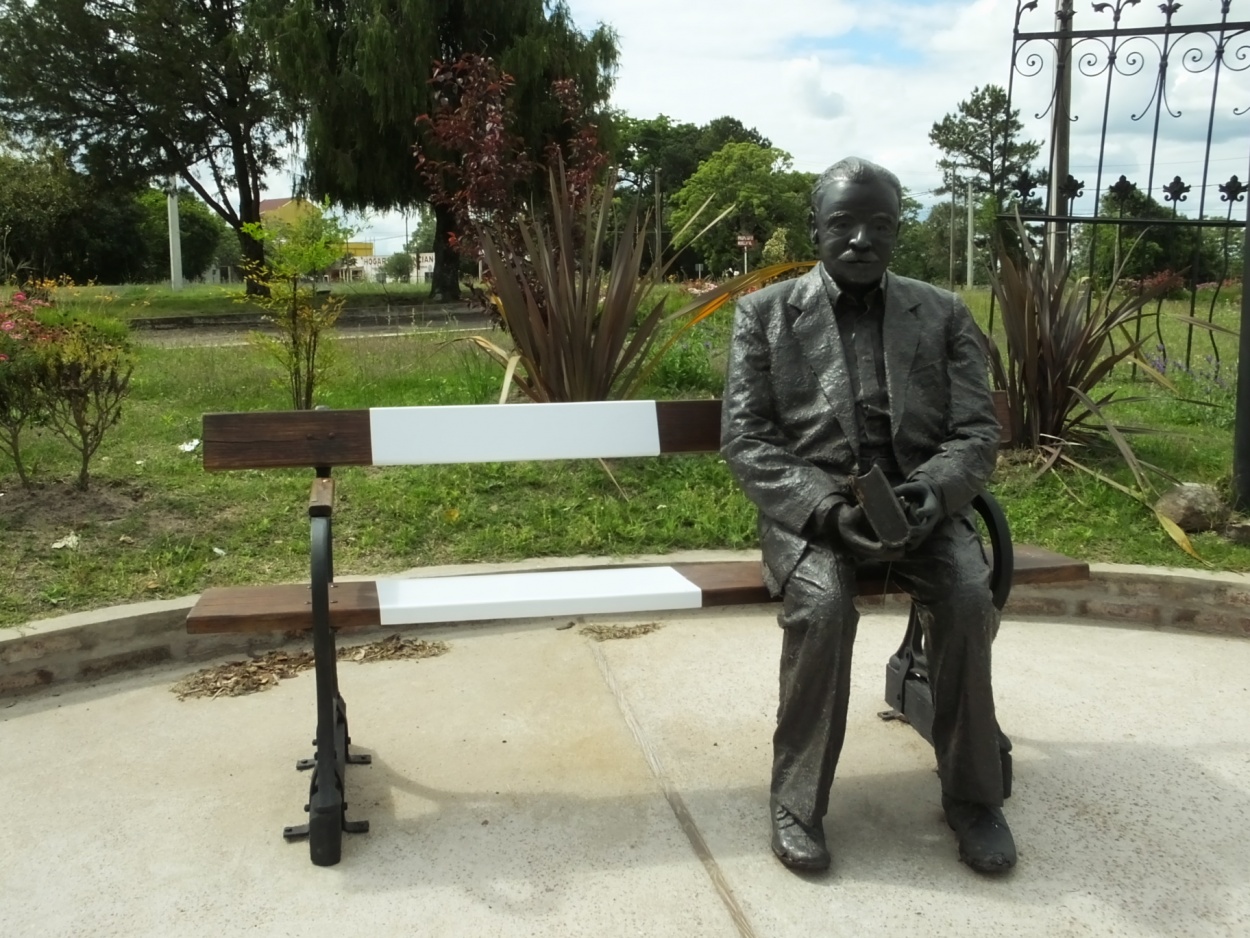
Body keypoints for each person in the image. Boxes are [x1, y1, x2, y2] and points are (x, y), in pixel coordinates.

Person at [720, 156, 1016, 875]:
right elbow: (747, 440)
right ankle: (795, 803)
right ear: (815, 229)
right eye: (843, 224)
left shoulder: (941, 311)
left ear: (896, 231)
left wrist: (935, 492)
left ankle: (974, 799)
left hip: (919, 508)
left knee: (969, 595)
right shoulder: (765, 314)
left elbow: (977, 433)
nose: (860, 239)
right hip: (815, 513)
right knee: (824, 610)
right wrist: (823, 510)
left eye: (878, 225)